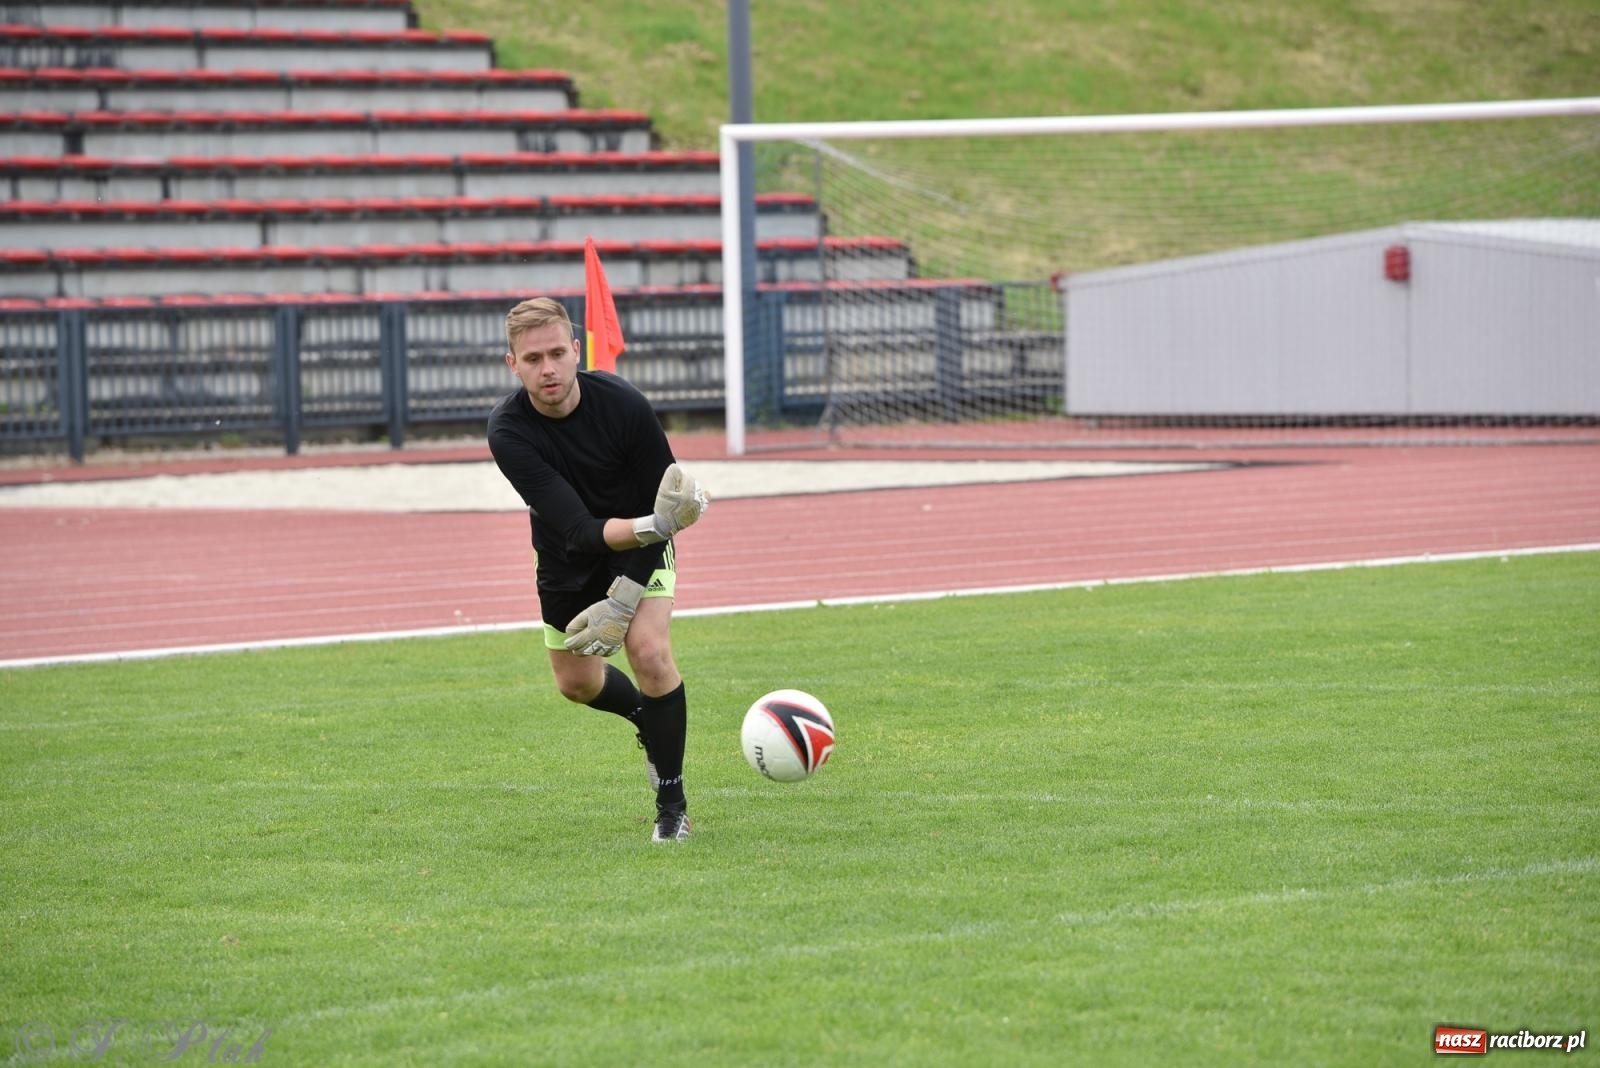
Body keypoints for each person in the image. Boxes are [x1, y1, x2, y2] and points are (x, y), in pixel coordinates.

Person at [487, 296, 709, 843]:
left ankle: (672, 808)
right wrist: (653, 527)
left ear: (577, 351)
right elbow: (577, 530)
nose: (548, 368)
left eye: (558, 353)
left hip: (642, 548)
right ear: (511, 364)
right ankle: (645, 719)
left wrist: (627, 595)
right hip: (569, 553)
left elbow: (669, 513)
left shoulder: (625, 405)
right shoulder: (507, 431)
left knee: (651, 653)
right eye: (533, 358)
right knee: (577, 684)